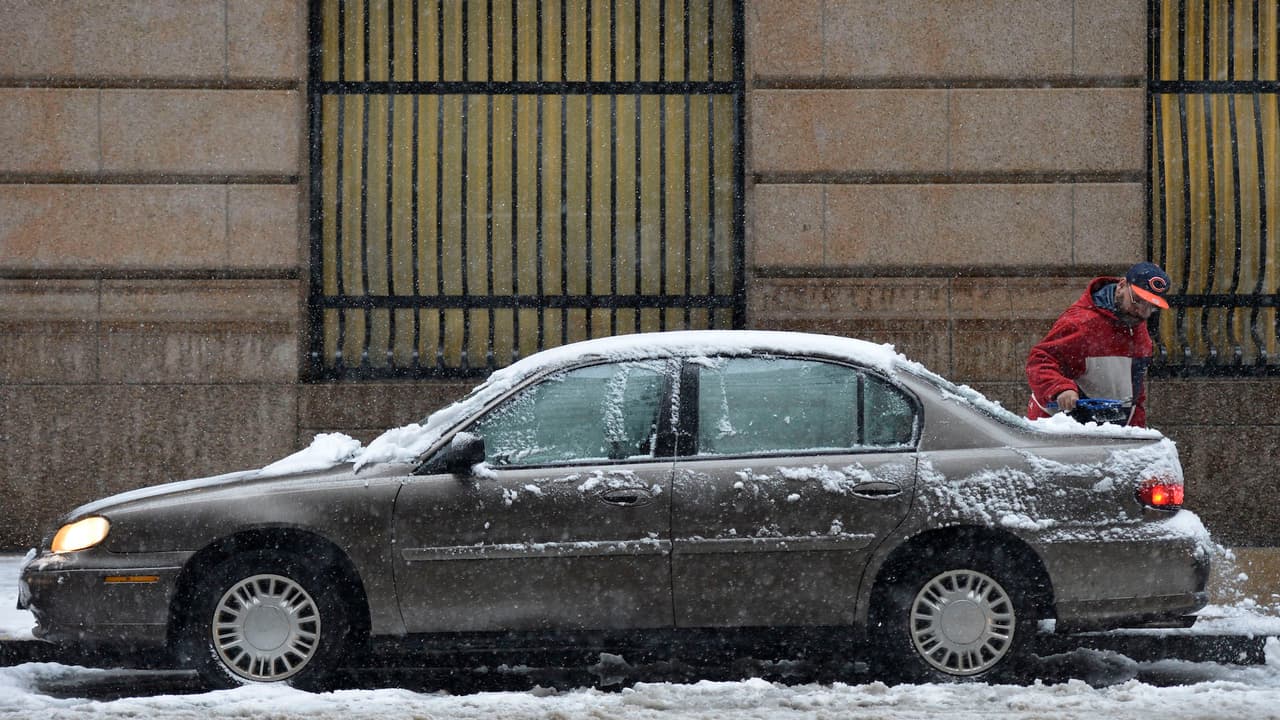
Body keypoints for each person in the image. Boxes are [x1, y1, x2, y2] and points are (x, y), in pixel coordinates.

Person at [1026, 261, 1171, 427]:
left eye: (1151, 306)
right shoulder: (1082, 323)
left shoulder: (1139, 330)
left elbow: (1135, 395)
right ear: (1122, 285)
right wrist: (1061, 388)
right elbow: (1039, 361)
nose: (1142, 311)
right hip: (1060, 428)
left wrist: (1137, 432)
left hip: (1108, 430)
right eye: (1137, 300)